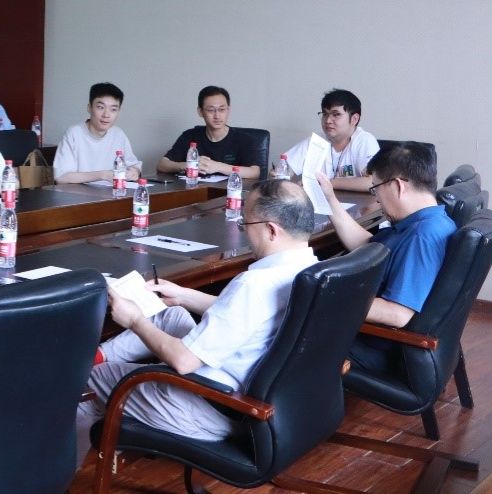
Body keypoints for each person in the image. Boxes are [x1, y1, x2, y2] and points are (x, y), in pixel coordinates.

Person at [75, 180, 317, 467]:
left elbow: (184, 361)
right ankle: (98, 355)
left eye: (245, 223)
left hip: (213, 406)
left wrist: (134, 319)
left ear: (271, 230)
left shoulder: (254, 284)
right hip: (252, 395)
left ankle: (57, 477)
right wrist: (183, 295)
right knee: (173, 315)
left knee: (83, 381)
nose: (244, 231)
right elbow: (248, 317)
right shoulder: (311, 271)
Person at [314, 142, 455, 371]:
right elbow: (367, 247)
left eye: (376, 188)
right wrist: (330, 200)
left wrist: (322, 298)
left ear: (398, 186)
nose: (377, 199)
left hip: (373, 345)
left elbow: (397, 313)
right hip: (368, 332)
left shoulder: (422, 236)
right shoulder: (427, 221)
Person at [281, 88, 379, 191]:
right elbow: (283, 170)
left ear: (354, 119)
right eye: (325, 114)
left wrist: (327, 183)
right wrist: (279, 174)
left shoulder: (364, 141)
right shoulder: (315, 142)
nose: (328, 120)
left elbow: (373, 182)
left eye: (336, 115)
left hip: (354, 201)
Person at [156, 85, 262, 179]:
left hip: (229, 191)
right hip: (196, 190)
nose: (217, 116)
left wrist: (218, 166)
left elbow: (254, 172)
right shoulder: (190, 135)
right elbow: (162, 165)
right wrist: (189, 165)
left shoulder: (244, 139)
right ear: (200, 112)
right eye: (211, 110)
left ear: (228, 110)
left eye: (222, 110)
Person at [53, 82, 141, 184]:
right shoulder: (74, 133)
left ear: (118, 112)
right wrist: (102, 175)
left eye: (113, 109)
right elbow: (61, 177)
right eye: (100, 107)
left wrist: (134, 171)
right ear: (89, 108)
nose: (106, 115)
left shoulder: (118, 134)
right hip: (80, 193)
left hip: (110, 192)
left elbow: (133, 164)